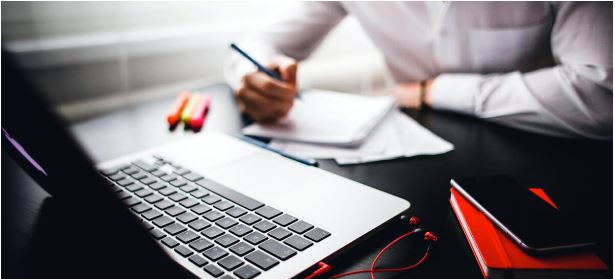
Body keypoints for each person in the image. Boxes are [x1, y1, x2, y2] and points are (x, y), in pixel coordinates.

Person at [225, 2, 612, 139]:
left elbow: (602, 90)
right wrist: (253, 78)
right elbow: (255, 44)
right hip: (405, 153)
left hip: (539, 154)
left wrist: (435, 91)